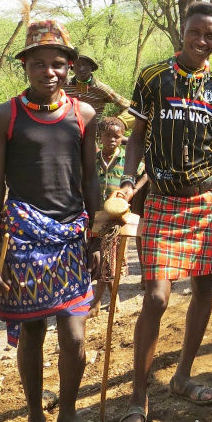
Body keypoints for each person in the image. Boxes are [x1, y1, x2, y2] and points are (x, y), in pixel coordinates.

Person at [113, 2, 212, 422]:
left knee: (204, 288)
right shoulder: (152, 77)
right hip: (163, 201)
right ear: (182, 32)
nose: (203, 41)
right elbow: (137, 136)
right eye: (196, 32)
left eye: (211, 35)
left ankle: (182, 376)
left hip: (209, 200)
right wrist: (127, 181)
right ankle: (138, 397)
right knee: (156, 298)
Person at [0, 20, 101, 422]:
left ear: (70, 67)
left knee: (75, 336)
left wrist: (97, 235)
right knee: (32, 332)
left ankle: (68, 413)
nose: (48, 72)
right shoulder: (5, 115)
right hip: (24, 238)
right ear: (25, 67)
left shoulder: (84, 114)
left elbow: (90, 179)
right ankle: (35, 416)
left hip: (71, 235)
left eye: (57, 64)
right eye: (38, 64)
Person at [89, 116, 145, 316]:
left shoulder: (126, 160)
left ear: (123, 138)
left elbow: (145, 172)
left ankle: (98, 302)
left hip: (118, 218)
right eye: (108, 136)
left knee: (110, 259)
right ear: (100, 136)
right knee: (100, 258)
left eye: (117, 137)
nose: (112, 140)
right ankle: (114, 297)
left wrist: (134, 190)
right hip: (96, 216)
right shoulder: (93, 160)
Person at [63, 53, 137, 137]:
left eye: (85, 65)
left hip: (91, 135)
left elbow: (131, 107)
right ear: (72, 67)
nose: (81, 69)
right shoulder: (63, 85)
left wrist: (116, 122)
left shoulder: (101, 89)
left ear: (92, 67)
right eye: (78, 65)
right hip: (66, 133)